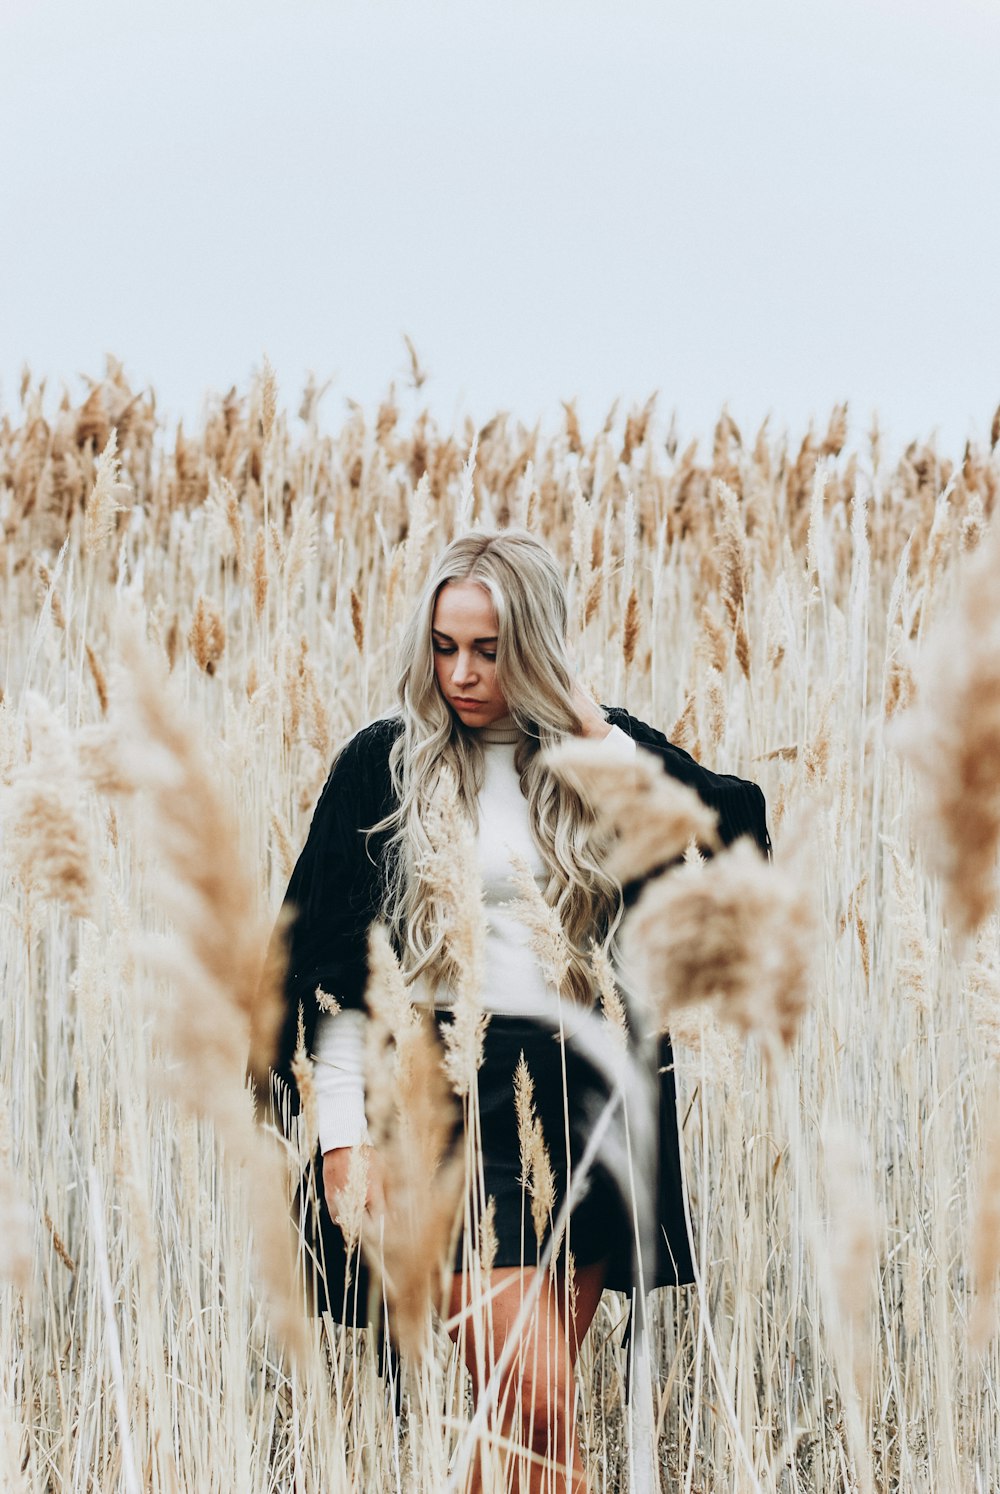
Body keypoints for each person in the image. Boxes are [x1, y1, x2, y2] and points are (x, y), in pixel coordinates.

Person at [267, 529, 770, 1494]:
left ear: (535, 644)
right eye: (445, 645)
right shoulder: (382, 765)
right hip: (437, 1090)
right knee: (530, 1391)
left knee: (521, 1429)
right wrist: (341, 1137)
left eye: (489, 650)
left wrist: (600, 739)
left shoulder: (602, 755)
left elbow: (727, 842)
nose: (460, 673)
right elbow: (331, 966)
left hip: (590, 1097)